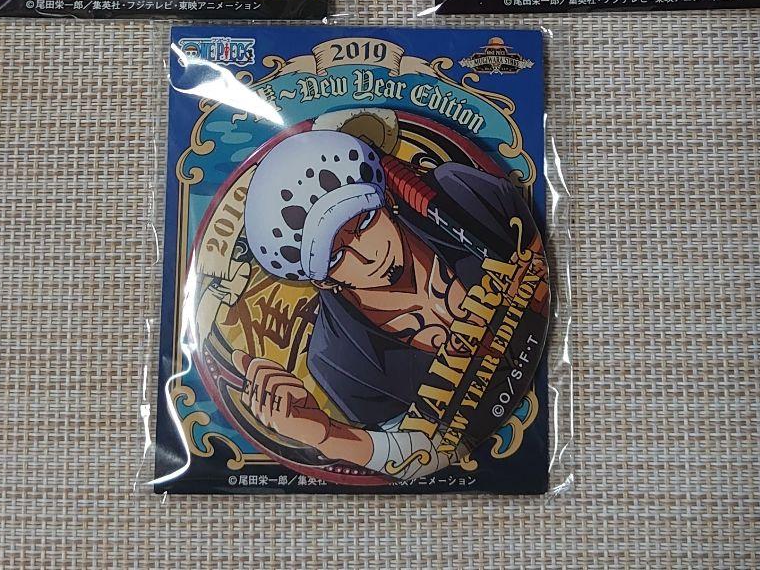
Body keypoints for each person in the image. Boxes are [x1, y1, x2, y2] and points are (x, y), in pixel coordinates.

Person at [234, 127, 547, 481]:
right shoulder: (337, 360)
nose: (368, 253)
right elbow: (423, 454)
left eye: (364, 221)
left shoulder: (457, 195)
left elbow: (544, 247)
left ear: (385, 199)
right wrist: (327, 435)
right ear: (321, 280)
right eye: (336, 255)